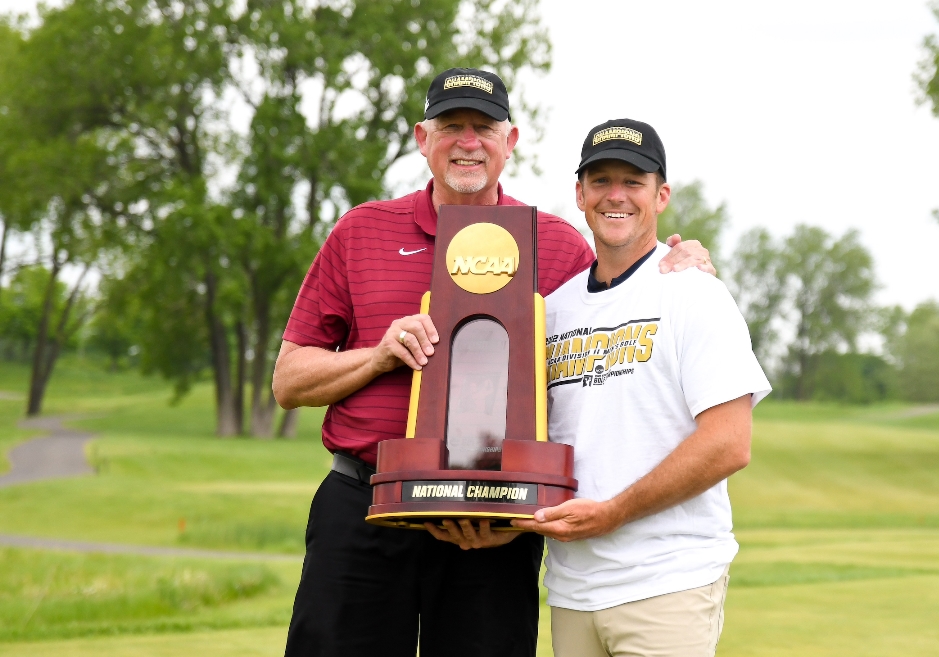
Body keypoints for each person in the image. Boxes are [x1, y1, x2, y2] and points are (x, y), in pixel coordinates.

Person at [271, 69, 715, 657]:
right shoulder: (362, 231)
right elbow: (288, 379)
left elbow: (617, 305)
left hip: (500, 517)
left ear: (511, 141)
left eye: (483, 127)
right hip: (367, 508)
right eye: (451, 125)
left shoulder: (557, 246)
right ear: (421, 139)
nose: (468, 141)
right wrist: (378, 356)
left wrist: (679, 260)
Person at [507, 119, 772, 657]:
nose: (616, 196)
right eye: (601, 180)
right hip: (573, 589)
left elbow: (728, 443)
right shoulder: (552, 311)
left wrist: (613, 512)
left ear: (661, 195)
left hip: (667, 582)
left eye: (634, 181)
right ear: (579, 194)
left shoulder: (694, 295)